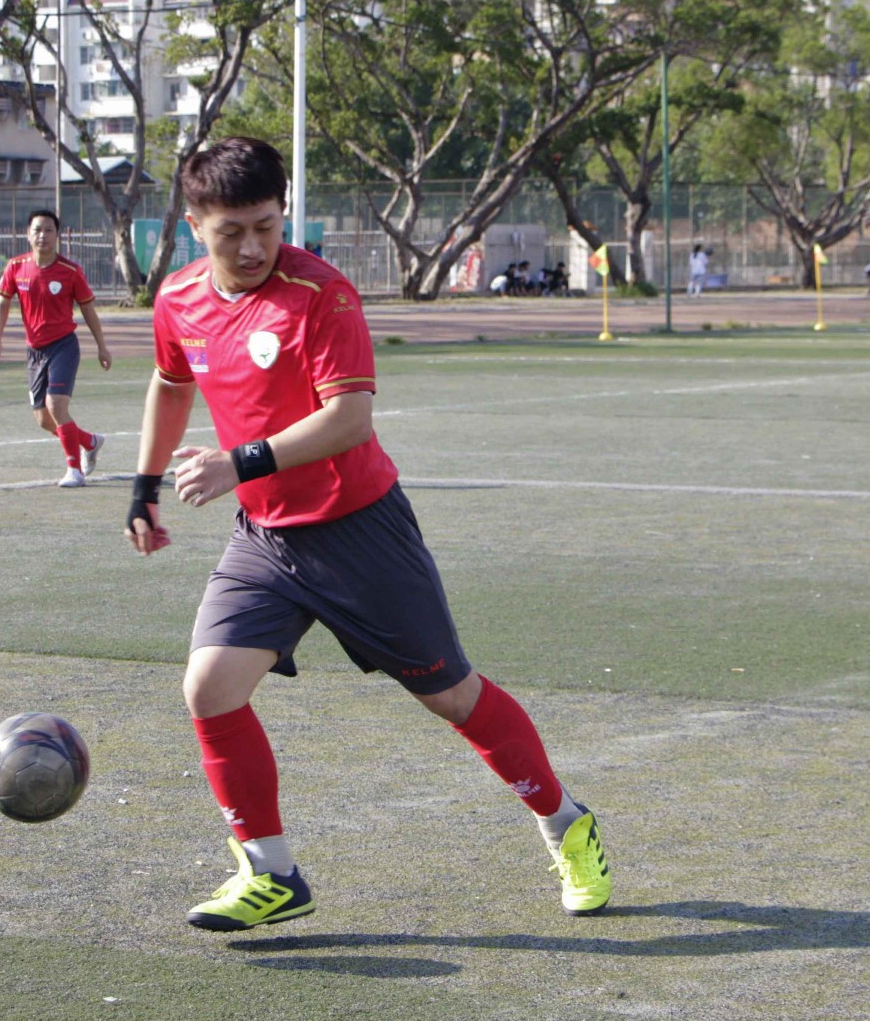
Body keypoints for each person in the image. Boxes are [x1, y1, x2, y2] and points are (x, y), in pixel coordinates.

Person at [123, 137, 611, 932]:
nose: (251, 247)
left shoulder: (322, 295)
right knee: (208, 689)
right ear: (193, 224)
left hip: (359, 533)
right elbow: (172, 381)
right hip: (267, 540)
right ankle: (271, 873)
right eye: (230, 232)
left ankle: (566, 823)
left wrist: (238, 462)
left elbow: (349, 420)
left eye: (267, 226)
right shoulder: (178, 298)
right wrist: (144, 488)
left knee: (453, 697)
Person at [0, 209, 110, 487]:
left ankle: (74, 471)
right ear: (28, 234)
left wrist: (102, 346)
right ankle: (89, 441)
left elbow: (88, 309)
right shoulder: (15, 267)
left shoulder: (70, 271)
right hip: (35, 352)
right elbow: (3, 304)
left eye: (49, 230)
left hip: (64, 347)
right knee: (43, 419)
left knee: (56, 405)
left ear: (58, 235)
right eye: (37, 230)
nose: (42, 235)